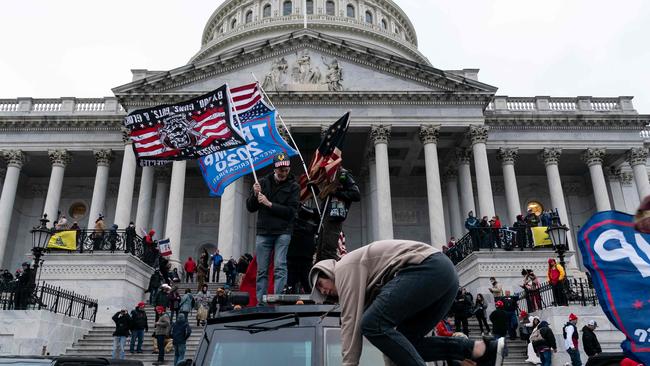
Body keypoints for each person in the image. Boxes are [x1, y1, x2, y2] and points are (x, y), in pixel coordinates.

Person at [309, 240, 507, 366]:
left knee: (369, 323)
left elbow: (350, 324)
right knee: (406, 342)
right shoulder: (369, 288)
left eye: (320, 284)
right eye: (320, 293)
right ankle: (479, 349)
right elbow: (391, 343)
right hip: (444, 277)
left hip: (429, 268)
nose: (323, 291)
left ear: (327, 272)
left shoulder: (344, 267)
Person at [246, 153, 300, 304]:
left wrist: (269, 204)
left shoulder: (294, 186)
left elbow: (291, 212)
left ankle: (278, 300)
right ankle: (261, 302)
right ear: (274, 169)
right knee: (262, 270)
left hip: (283, 231)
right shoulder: (262, 183)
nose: (283, 173)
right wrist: (255, 195)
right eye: (280, 170)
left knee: (280, 266)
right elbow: (251, 207)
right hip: (264, 232)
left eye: (286, 170)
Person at [314, 166, 361, 262]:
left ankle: (332, 273)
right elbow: (325, 197)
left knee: (328, 250)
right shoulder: (328, 177)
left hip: (335, 216)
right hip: (325, 217)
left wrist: (337, 192)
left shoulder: (343, 174)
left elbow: (356, 194)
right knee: (320, 251)